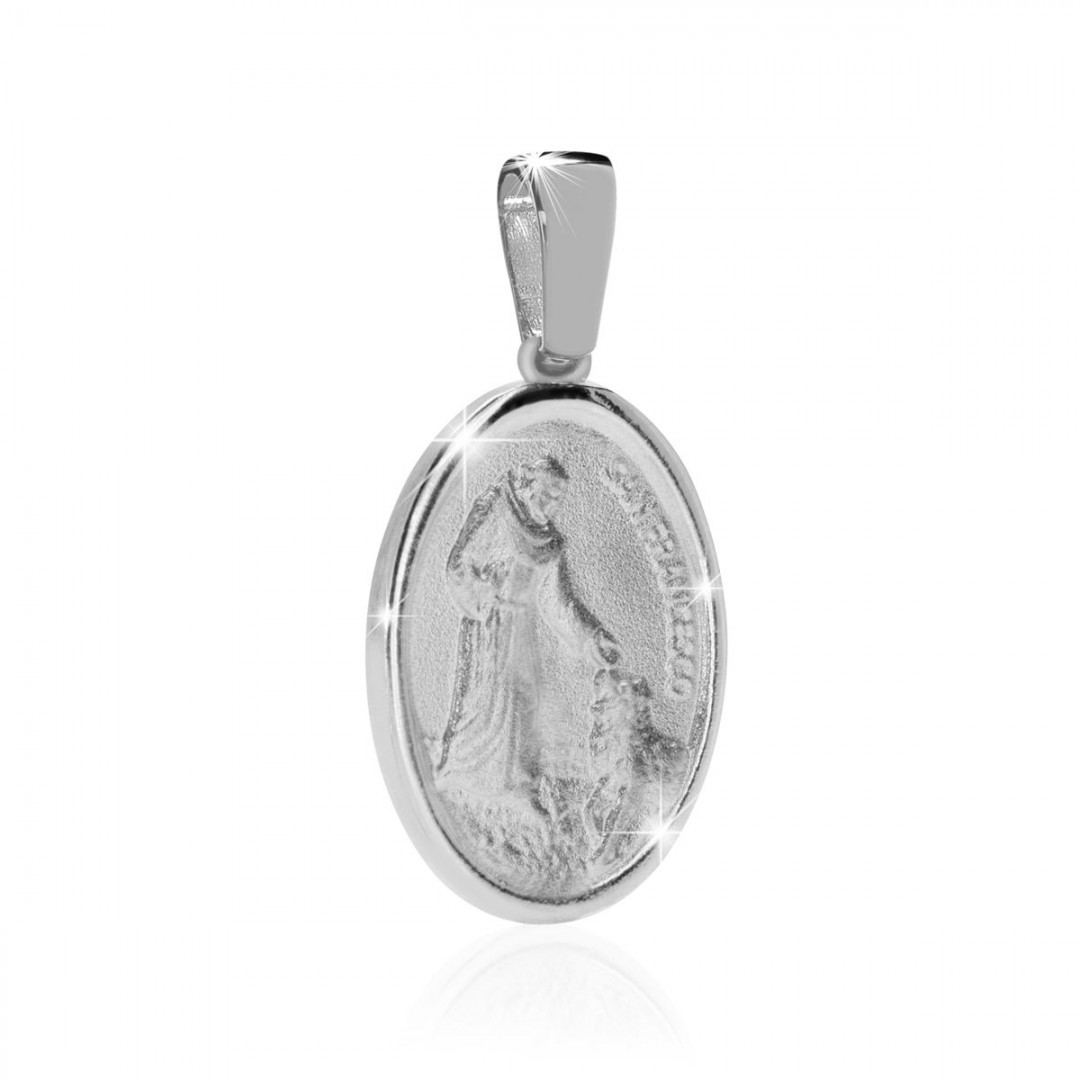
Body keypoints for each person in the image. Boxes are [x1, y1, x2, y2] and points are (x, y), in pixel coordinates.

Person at [434, 456, 618, 796]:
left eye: (558, 498)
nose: (551, 505)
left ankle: (519, 786)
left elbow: (556, 602)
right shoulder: (498, 509)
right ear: (528, 486)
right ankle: (467, 779)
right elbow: (460, 564)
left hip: (523, 635)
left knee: (523, 705)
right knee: (484, 706)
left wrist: (592, 637)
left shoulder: (551, 543)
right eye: (546, 494)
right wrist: (486, 596)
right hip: (490, 629)